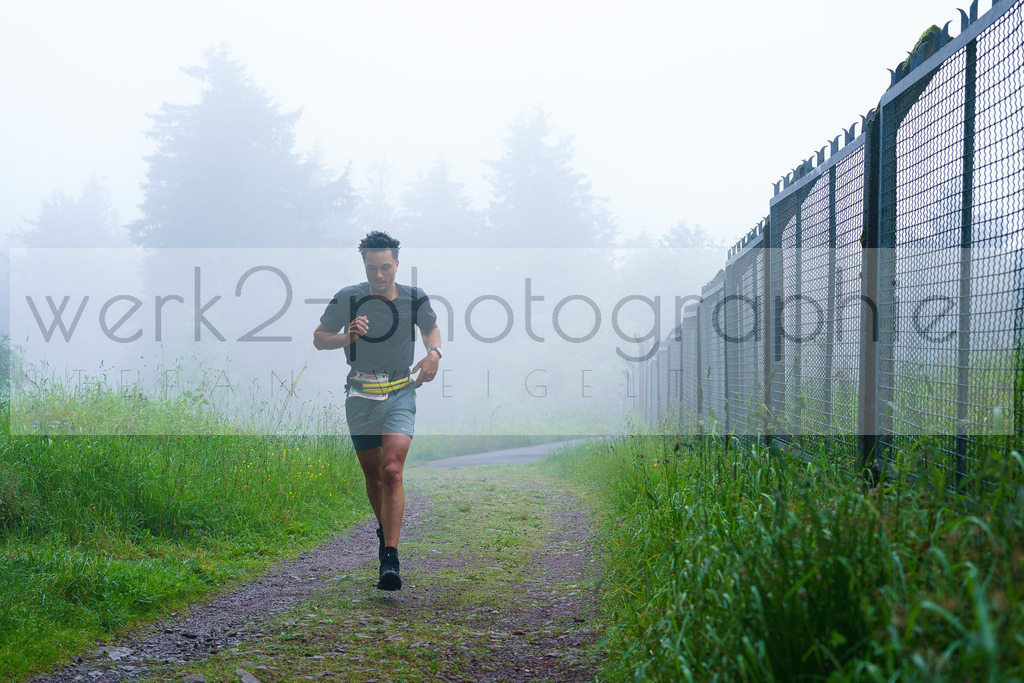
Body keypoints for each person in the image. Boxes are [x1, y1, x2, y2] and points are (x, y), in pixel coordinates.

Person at [313, 231, 441, 590]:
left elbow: (431, 328)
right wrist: (347, 337)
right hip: (360, 395)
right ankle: (386, 531)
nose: (379, 274)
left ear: (397, 264)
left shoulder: (415, 298)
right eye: (372, 268)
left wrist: (434, 353)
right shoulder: (348, 297)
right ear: (364, 266)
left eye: (386, 267)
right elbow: (319, 338)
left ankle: (390, 557)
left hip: (400, 391)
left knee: (392, 471)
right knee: (374, 479)